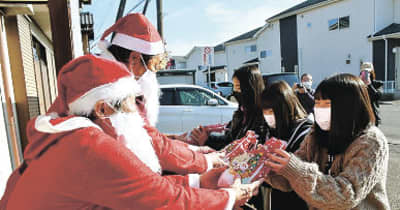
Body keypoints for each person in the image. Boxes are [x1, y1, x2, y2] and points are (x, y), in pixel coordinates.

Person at [0, 55, 263, 210]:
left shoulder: (77, 137)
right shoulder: (89, 145)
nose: (135, 113)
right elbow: (163, 200)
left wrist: (199, 181)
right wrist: (229, 196)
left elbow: (139, 187)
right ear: (103, 108)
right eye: (127, 102)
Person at [97, 13, 224, 174]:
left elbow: (146, 135)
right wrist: (204, 160)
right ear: (134, 58)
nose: (150, 73)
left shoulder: (111, 78)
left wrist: (177, 140)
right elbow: (151, 144)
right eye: (151, 66)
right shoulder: (114, 90)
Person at [265, 73, 390, 210]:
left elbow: (345, 196)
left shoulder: (371, 141)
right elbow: (287, 181)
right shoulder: (315, 135)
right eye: (317, 103)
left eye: (326, 104)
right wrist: (263, 167)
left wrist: (295, 169)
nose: (318, 109)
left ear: (347, 107)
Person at [261, 81, 312, 210]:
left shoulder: (305, 131)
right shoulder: (269, 130)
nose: (267, 116)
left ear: (283, 108)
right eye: (264, 112)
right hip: (272, 198)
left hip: (297, 201)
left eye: (271, 111)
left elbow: (289, 181)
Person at [190, 65, 268, 149]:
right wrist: (206, 137)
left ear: (250, 88)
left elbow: (242, 150)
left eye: (238, 87)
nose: (235, 92)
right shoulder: (240, 114)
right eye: (233, 87)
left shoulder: (263, 116)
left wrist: (207, 141)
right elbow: (229, 139)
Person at [360, 62, 383, 126]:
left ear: (372, 72)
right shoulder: (357, 84)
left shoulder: (378, 84)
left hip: (373, 117)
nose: (367, 75)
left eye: (368, 72)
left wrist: (369, 85)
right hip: (360, 118)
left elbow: (377, 96)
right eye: (364, 72)